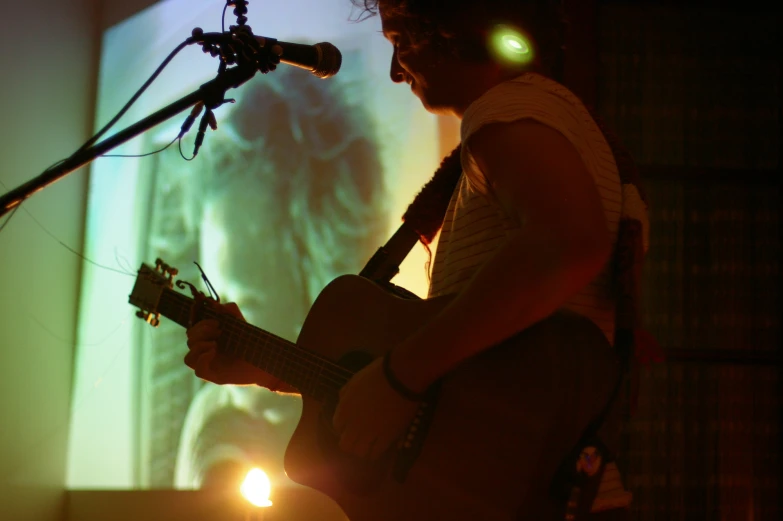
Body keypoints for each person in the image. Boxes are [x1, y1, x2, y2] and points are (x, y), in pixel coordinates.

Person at [185, 0, 649, 518]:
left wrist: (400, 376)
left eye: (402, 41)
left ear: (454, 26)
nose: (395, 69)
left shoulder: (507, 113)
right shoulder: (534, 117)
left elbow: (569, 245)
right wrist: (271, 369)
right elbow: (465, 394)